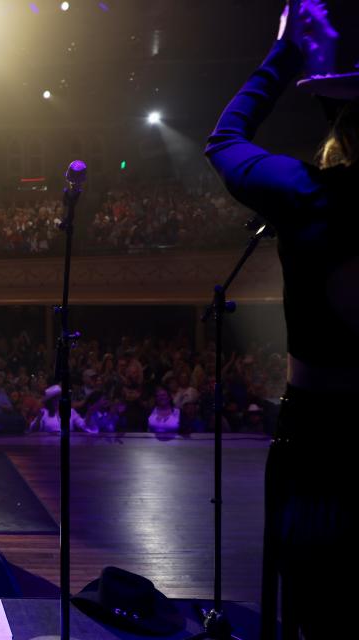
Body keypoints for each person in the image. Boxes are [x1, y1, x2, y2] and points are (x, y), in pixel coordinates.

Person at [205, 2, 355, 636]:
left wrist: (285, 51)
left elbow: (225, 141)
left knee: (311, 604)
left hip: (318, 433)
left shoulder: (304, 193)